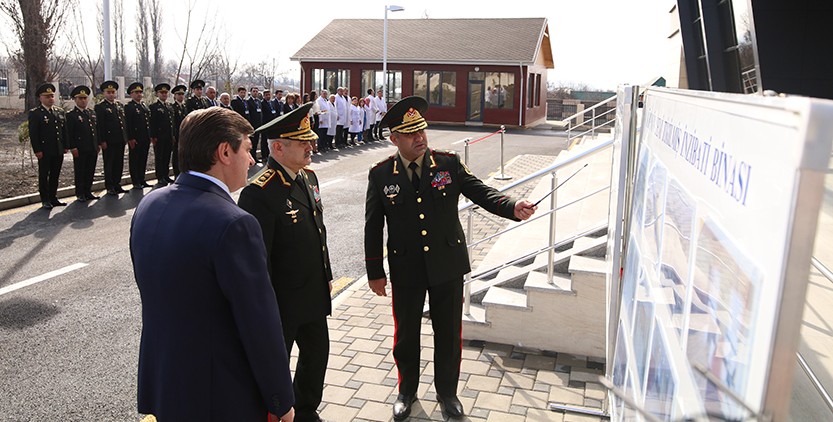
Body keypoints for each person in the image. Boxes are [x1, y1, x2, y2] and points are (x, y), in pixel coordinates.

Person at [364, 96, 537, 420]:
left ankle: (448, 393)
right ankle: (406, 391)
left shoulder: (447, 164)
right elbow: (373, 226)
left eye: (422, 131)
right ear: (395, 139)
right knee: (406, 336)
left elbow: (480, 191)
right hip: (406, 268)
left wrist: (511, 205)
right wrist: (375, 272)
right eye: (410, 133)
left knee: (447, 334)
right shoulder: (381, 174)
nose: (420, 138)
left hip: (447, 264)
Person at [130, 107, 296, 422]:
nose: (251, 160)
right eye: (247, 149)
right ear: (223, 152)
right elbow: (259, 324)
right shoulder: (235, 224)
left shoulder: (148, 205)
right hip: (220, 393)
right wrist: (281, 400)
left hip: (167, 383)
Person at [238, 103, 332, 422]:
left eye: (310, 139)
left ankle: (305, 411)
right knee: (274, 368)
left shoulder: (309, 177)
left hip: (313, 294)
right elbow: (257, 261)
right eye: (302, 141)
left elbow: (318, 232)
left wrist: (327, 276)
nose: (311, 145)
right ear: (278, 147)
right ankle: (276, 414)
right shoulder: (258, 192)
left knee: (316, 357)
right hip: (281, 301)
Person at [28, 83, 67, 208]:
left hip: (58, 149)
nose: (50, 98)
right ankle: (45, 199)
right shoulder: (36, 113)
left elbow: (63, 130)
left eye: (52, 96)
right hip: (44, 150)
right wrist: (37, 150)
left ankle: (53, 197)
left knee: (55, 174)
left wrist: (65, 145)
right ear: (40, 98)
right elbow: (34, 133)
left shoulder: (59, 111)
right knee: (44, 175)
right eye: (47, 96)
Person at [65, 85, 100, 202]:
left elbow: (96, 130)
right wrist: (73, 147)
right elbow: (70, 133)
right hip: (80, 148)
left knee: (90, 170)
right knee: (80, 171)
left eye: (85, 98)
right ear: (75, 100)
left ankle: (88, 191)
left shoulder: (91, 113)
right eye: (80, 98)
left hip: (92, 147)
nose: (83, 101)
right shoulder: (71, 115)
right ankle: (80, 193)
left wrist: (97, 144)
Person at [95, 80, 128, 195]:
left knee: (119, 163)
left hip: (120, 139)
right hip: (109, 141)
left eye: (113, 92)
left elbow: (123, 123)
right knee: (109, 163)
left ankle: (117, 183)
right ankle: (109, 186)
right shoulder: (100, 107)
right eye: (108, 92)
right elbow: (100, 125)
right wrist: (102, 140)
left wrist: (125, 137)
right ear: (104, 93)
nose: (111, 94)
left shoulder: (119, 105)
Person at [125, 82, 152, 190]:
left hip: (145, 137)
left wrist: (149, 136)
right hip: (135, 138)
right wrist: (130, 138)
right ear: (131, 94)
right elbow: (128, 124)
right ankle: (135, 181)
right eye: (136, 92)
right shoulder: (129, 107)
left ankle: (141, 179)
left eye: (140, 92)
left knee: (143, 159)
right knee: (135, 160)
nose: (139, 94)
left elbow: (148, 122)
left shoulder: (143, 106)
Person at [149, 83, 175, 186]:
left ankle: (165, 175)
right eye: (162, 92)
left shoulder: (169, 106)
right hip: (159, 137)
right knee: (159, 157)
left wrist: (172, 135)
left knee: (166, 157)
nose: (164, 94)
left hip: (168, 136)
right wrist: (153, 136)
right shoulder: (154, 107)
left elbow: (171, 123)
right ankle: (160, 177)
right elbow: (152, 123)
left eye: (165, 93)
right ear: (157, 94)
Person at [170, 85, 188, 177]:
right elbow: (172, 123)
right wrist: (173, 135)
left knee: (183, 154)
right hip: (177, 134)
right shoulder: (173, 107)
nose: (181, 96)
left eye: (182, 94)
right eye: (179, 94)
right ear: (174, 96)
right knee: (176, 155)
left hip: (184, 134)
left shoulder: (184, 107)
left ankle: (182, 172)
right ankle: (177, 173)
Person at [261, 89, 279, 160]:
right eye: (266, 95)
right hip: (266, 124)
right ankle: (264, 155)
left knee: (271, 140)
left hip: (272, 124)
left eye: (269, 95)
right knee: (264, 140)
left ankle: (270, 154)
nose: (268, 96)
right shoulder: (262, 103)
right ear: (263, 96)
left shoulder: (272, 102)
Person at [248, 87, 264, 162]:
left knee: (256, 141)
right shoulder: (248, 101)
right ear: (251, 92)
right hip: (252, 125)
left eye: (256, 91)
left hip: (258, 125)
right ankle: (251, 157)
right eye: (254, 91)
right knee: (251, 142)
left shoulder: (258, 101)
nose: (255, 93)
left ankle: (255, 157)